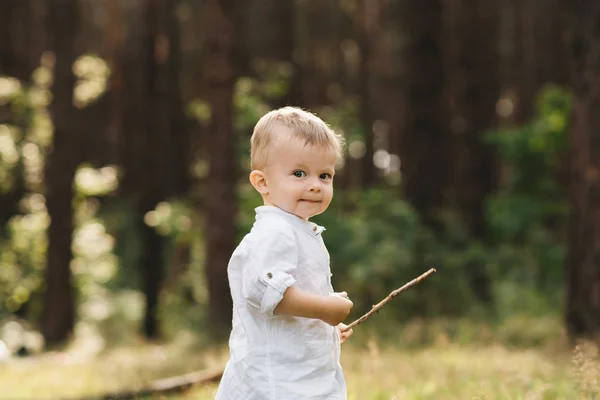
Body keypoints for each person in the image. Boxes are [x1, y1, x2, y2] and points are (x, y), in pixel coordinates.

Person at [215, 106, 354, 400]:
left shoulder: (295, 229)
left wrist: (323, 326)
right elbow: (266, 292)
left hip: (296, 373)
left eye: (325, 176)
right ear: (262, 182)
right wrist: (324, 310)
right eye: (299, 173)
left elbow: (293, 296)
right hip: (276, 383)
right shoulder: (275, 230)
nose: (315, 185)